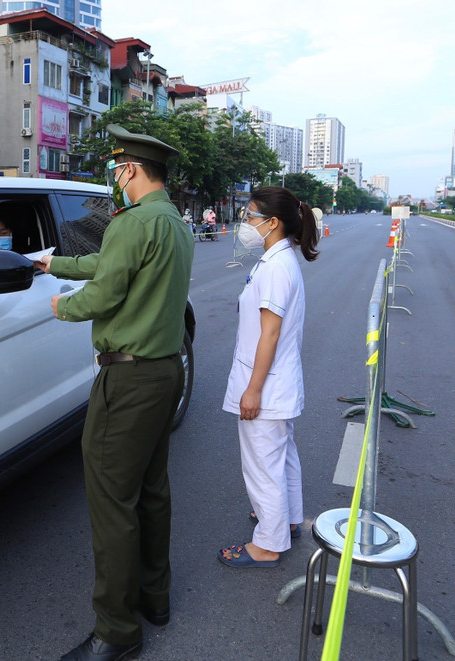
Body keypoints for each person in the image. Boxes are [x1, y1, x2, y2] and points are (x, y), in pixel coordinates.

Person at [37, 125, 193, 661]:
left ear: (129, 170)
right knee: (151, 490)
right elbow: (111, 265)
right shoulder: (172, 220)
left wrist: (62, 305)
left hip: (127, 379)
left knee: (111, 503)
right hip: (165, 371)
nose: (115, 178)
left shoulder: (131, 222)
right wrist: (52, 262)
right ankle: (156, 599)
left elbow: (104, 290)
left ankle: (116, 631)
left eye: (117, 169)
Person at [218, 186, 319, 569]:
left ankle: (267, 544)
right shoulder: (276, 259)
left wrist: (253, 390)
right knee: (280, 457)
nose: (245, 224)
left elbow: (270, 334)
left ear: (272, 223)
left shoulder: (277, 267)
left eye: (250, 216)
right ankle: (288, 519)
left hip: (267, 385)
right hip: (277, 382)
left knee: (263, 466)